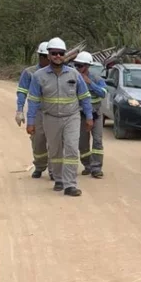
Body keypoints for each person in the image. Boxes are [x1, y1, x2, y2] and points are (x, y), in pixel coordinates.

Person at [25, 37, 93, 197]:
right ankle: (58, 179)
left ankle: (70, 185)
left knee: (70, 149)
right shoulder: (38, 76)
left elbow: (84, 96)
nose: (57, 56)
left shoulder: (74, 74)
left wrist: (89, 116)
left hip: (72, 117)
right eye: (53, 53)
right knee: (55, 151)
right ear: (48, 55)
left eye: (60, 53)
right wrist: (30, 121)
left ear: (65, 55)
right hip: (50, 118)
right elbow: (33, 101)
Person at [16, 41, 52, 179]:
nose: (45, 59)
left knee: (55, 142)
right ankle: (40, 165)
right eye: (42, 56)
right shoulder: (29, 73)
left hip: (54, 111)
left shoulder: (57, 72)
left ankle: (54, 170)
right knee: (38, 141)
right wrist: (19, 110)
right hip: (37, 112)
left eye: (46, 56)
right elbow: (22, 91)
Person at [73, 52, 107, 179]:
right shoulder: (73, 78)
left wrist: (90, 83)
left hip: (96, 114)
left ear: (87, 66)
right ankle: (87, 165)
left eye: (80, 66)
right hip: (81, 114)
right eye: (76, 65)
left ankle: (96, 168)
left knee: (97, 140)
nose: (77, 68)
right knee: (82, 143)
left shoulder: (96, 78)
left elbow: (103, 93)